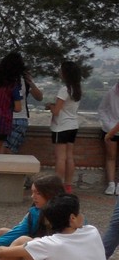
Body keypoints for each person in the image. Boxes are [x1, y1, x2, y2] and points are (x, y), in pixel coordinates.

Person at [0, 175, 65, 260]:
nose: (33, 196)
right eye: (33, 192)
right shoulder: (36, 211)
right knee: (3, 232)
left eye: (38, 193)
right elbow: (17, 232)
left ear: (51, 194)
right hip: (39, 253)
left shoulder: (62, 213)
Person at [47, 60, 83, 192]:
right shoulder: (77, 89)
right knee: (69, 156)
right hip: (73, 124)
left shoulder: (64, 90)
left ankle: (57, 185)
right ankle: (68, 185)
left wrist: (50, 106)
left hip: (61, 126)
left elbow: (56, 111)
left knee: (60, 157)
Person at [4, 56, 42, 156]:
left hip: (3, 118)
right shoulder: (24, 80)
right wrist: (31, 83)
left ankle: (2, 169)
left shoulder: (1, 80)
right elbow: (39, 97)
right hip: (20, 119)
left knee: (1, 149)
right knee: (11, 150)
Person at [99, 81, 119, 195]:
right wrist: (109, 125)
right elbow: (102, 109)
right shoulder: (110, 93)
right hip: (110, 129)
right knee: (110, 156)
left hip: (112, 129)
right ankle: (111, 183)